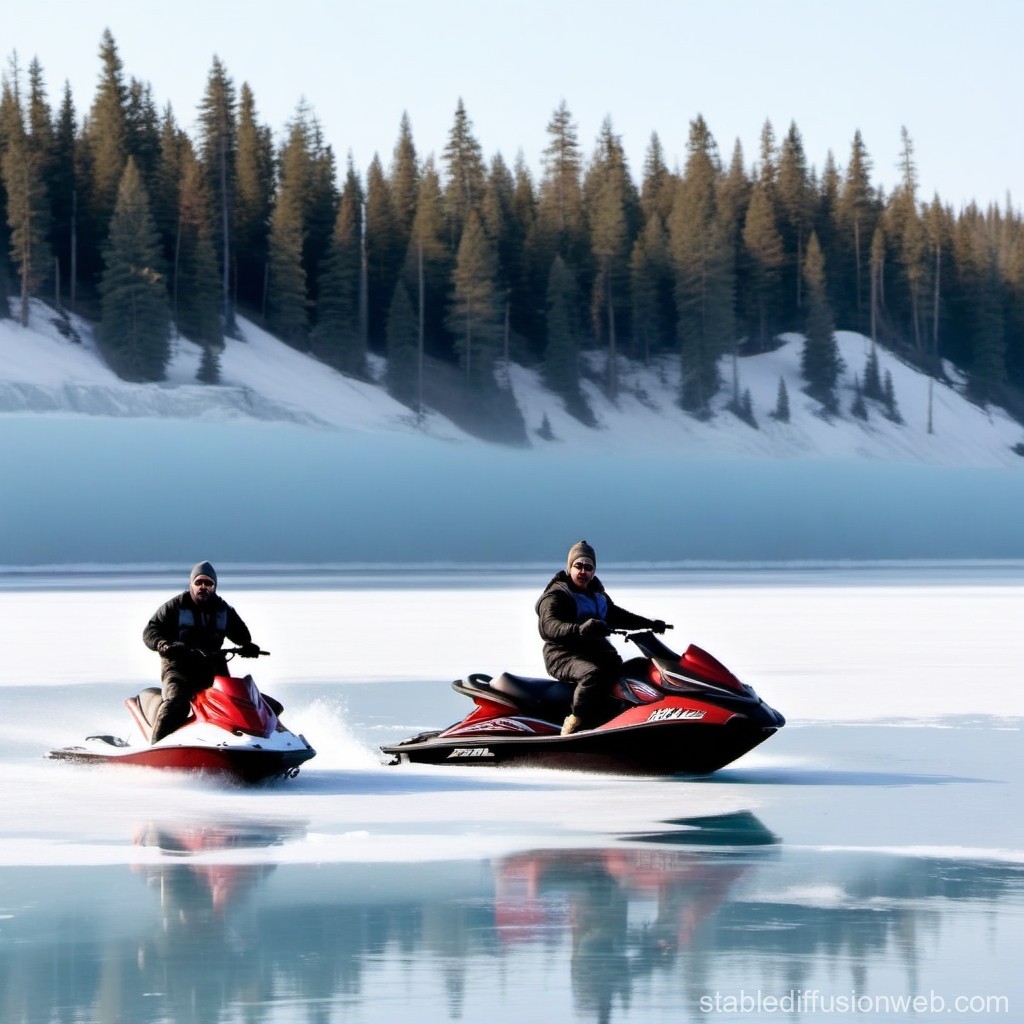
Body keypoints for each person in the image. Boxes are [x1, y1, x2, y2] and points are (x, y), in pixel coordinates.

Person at [535, 541, 666, 735]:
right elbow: (550, 626)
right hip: (562, 654)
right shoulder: (557, 595)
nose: (583, 571)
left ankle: (619, 719)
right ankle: (574, 724)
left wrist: (649, 623)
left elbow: (615, 615)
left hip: (595, 652)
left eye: (588, 567)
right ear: (569, 567)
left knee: (628, 671)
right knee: (592, 675)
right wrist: (580, 629)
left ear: (594, 571)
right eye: (578, 566)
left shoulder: (597, 594)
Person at [143, 561, 261, 743]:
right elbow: (150, 631)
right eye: (199, 583)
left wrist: (248, 646)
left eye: (208, 583)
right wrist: (162, 643)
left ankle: (265, 740)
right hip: (179, 667)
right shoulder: (175, 606)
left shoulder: (223, 609)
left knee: (247, 703)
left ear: (214, 586)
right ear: (191, 584)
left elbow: (241, 635)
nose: (203, 587)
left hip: (212, 667)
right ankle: (156, 747)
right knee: (177, 704)